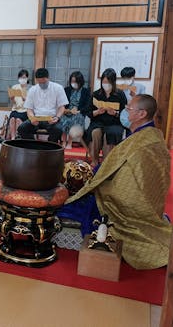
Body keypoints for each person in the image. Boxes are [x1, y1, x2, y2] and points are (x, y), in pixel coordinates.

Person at [65, 94, 171, 270]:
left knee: (84, 202)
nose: (125, 111)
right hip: (152, 201)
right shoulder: (152, 136)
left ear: (142, 114)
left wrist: (93, 179)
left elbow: (115, 173)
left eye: (129, 109)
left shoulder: (140, 141)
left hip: (133, 202)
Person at [85, 68, 127, 167]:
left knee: (110, 134)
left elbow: (125, 113)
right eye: (103, 82)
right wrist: (97, 112)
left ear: (113, 82)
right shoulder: (96, 94)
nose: (105, 84)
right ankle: (94, 160)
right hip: (98, 122)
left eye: (108, 82)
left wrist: (115, 113)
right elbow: (88, 112)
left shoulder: (119, 94)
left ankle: (106, 162)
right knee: (95, 133)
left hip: (114, 123)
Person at [17, 68, 68, 143]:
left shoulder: (58, 88)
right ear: (36, 80)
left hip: (52, 118)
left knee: (58, 129)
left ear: (48, 78)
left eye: (44, 82)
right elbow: (29, 108)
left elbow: (62, 107)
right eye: (39, 82)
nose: (42, 85)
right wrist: (32, 118)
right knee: (22, 128)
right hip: (37, 118)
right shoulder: (33, 90)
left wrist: (57, 117)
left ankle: (50, 144)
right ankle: (32, 145)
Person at [61, 71, 91, 149]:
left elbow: (88, 106)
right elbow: (62, 103)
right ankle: (63, 141)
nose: (73, 83)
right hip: (67, 111)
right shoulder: (66, 90)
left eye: (75, 81)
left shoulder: (85, 92)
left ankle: (70, 142)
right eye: (72, 81)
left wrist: (79, 110)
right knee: (63, 118)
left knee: (75, 118)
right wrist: (67, 110)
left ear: (80, 82)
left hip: (78, 112)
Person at [119, 67, 147, 132]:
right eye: (125, 78)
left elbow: (144, 103)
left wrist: (135, 97)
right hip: (124, 113)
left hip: (136, 113)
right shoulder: (121, 88)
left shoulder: (140, 87)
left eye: (129, 78)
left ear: (133, 76)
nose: (127, 80)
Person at [7, 69, 30, 140]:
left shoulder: (30, 88)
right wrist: (12, 98)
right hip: (16, 109)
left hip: (25, 110)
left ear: (27, 78)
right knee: (12, 119)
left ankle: (18, 137)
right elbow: (13, 102)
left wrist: (25, 99)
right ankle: (13, 138)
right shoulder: (15, 87)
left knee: (18, 120)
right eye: (20, 78)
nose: (22, 79)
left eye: (24, 77)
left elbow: (32, 103)